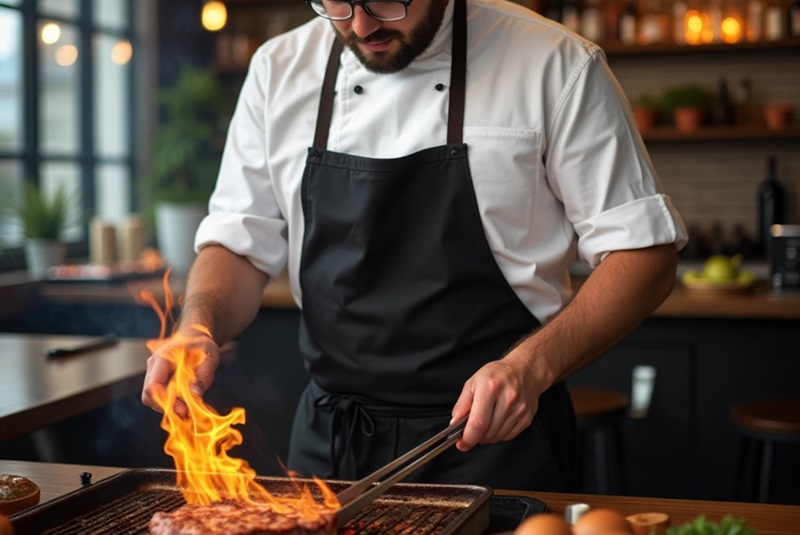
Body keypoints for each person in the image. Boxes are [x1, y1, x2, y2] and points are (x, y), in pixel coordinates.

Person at [142, 0, 687, 492]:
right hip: (332, 447)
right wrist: (198, 326)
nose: (360, 24)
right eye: (336, 2)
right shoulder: (277, 71)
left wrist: (532, 366)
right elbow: (238, 245)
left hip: (492, 444)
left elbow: (644, 255)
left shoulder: (554, 63)